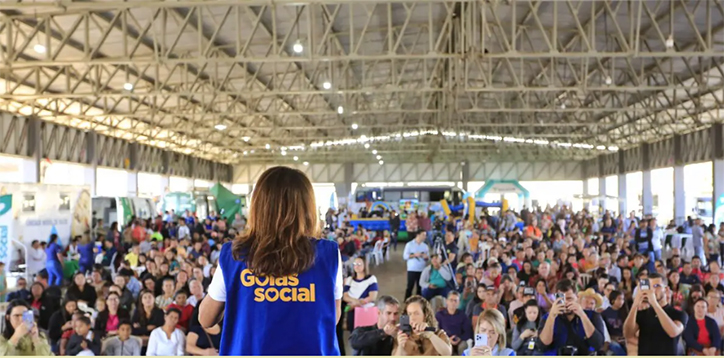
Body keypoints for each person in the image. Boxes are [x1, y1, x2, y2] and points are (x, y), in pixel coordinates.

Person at [199, 167, 343, 355]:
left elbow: (206, 318)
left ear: (259, 206)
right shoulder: (328, 254)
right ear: (308, 207)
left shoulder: (234, 255)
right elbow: (333, 315)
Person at [624, 272, 687, 355]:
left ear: (666, 289)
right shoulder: (643, 314)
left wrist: (654, 303)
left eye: (657, 286)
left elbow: (673, 332)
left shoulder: (679, 314)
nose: (652, 290)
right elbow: (628, 334)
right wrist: (635, 304)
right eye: (650, 287)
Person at [538, 279, 605, 355]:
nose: (565, 303)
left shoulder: (592, 315)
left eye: (569, 298)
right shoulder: (547, 318)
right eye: (561, 299)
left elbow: (598, 344)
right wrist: (551, 316)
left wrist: (582, 315)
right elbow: (542, 346)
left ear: (577, 297)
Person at [343, 256, 379, 331]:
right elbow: (345, 296)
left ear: (364, 265)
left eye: (359, 264)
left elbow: (372, 297)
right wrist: (356, 302)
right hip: (352, 311)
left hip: (366, 310)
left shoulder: (371, 279)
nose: (356, 266)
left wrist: (356, 304)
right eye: (355, 264)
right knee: (353, 333)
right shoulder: (349, 279)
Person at [403, 231, 430, 300]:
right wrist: (414, 255)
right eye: (423, 235)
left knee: (420, 286)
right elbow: (405, 256)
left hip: (421, 269)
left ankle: (419, 301)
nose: (425, 237)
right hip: (412, 268)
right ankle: (407, 300)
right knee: (410, 286)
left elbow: (428, 258)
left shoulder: (425, 246)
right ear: (418, 235)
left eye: (425, 235)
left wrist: (426, 257)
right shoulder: (409, 244)